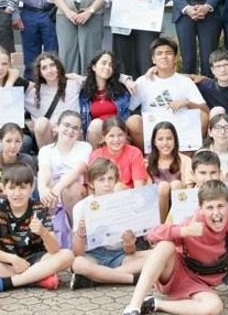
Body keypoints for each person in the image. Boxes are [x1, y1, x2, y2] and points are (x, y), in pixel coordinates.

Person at [121, 180, 228, 315]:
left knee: (214, 308)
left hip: (200, 284)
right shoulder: (193, 222)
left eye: (220, 206)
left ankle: (154, 304)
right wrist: (185, 231)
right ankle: (132, 310)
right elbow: (152, 235)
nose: (216, 213)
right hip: (174, 274)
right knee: (165, 245)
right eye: (209, 207)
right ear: (201, 209)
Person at [0, 164, 74, 293]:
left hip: (36, 260)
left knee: (67, 255)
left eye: (23, 188)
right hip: (6, 261)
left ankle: (6, 283)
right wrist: (12, 259)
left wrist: (43, 232)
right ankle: (37, 278)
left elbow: (54, 250)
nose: (17, 193)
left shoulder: (39, 208)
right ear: (4, 189)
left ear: (31, 188)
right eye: (12, 188)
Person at [69, 158, 151, 290]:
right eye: (101, 180)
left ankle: (97, 278)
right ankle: (132, 279)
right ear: (91, 183)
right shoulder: (81, 207)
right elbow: (78, 253)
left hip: (120, 255)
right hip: (94, 256)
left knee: (159, 255)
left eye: (110, 179)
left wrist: (129, 243)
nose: (106, 184)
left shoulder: (124, 204)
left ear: (116, 181)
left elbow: (130, 251)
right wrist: (80, 232)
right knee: (78, 264)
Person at [127, 37, 209, 150]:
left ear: (175, 58)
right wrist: (125, 80)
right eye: (159, 53)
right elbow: (128, 107)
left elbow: (206, 111)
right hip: (153, 133)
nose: (164, 56)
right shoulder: (143, 81)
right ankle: (150, 158)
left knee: (202, 116)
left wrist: (187, 103)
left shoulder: (185, 81)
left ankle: (186, 157)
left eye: (168, 53)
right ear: (153, 59)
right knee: (133, 121)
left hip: (181, 131)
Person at [37, 110, 90, 249]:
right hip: (53, 196)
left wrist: (56, 189)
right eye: (66, 125)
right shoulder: (46, 150)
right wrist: (43, 189)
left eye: (75, 128)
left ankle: (77, 235)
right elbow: (45, 171)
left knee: (71, 188)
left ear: (79, 132)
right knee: (45, 187)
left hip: (74, 195)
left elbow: (76, 171)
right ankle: (54, 242)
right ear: (57, 127)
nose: (70, 130)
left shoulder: (85, 147)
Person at [79, 50, 135, 147]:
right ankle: (96, 160)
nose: (107, 67)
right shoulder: (83, 92)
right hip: (98, 135)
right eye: (104, 63)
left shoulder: (121, 89)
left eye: (111, 65)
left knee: (135, 119)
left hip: (119, 134)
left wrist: (125, 79)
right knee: (96, 124)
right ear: (94, 67)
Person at [89, 117, 149, 190]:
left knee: (118, 187)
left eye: (120, 135)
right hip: (103, 194)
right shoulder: (96, 155)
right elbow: (92, 186)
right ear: (104, 137)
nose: (116, 140)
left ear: (125, 136)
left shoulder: (134, 153)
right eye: (111, 136)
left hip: (127, 195)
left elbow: (139, 187)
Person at [146, 121, 188, 222]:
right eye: (160, 139)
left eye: (169, 138)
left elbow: (189, 187)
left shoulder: (184, 160)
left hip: (180, 203)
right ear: (154, 142)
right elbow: (146, 191)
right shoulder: (147, 163)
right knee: (163, 186)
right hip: (156, 207)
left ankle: (178, 222)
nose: (165, 143)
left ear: (175, 141)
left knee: (176, 184)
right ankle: (162, 226)